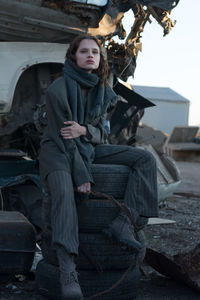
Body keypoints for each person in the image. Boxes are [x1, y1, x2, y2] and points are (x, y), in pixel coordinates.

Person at [39, 34, 158, 300]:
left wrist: (86, 129)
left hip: (88, 147)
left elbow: (102, 135)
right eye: (84, 51)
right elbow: (65, 138)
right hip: (57, 150)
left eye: (95, 51)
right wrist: (82, 174)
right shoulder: (59, 89)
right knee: (64, 190)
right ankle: (68, 269)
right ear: (74, 57)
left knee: (144, 159)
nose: (91, 55)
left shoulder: (102, 90)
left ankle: (124, 222)